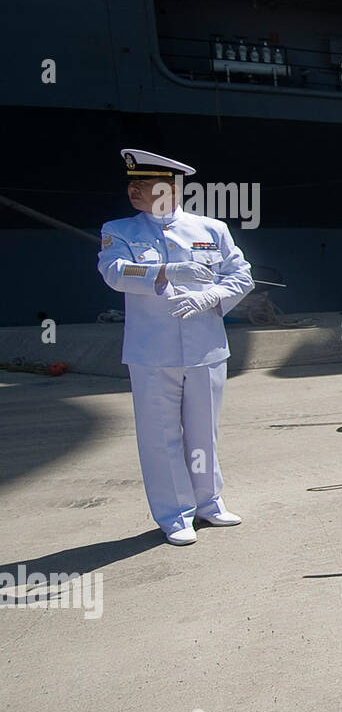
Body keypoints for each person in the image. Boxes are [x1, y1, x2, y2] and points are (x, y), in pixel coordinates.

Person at [98, 149, 254, 545]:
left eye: (143, 184)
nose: (133, 190)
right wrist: (166, 270)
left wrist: (212, 297)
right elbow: (115, 272)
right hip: (152, 352)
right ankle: (174, 514)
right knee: (160, 434)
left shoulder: (211, 229)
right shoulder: (119, 230)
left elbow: (241, 274)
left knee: (204, 431)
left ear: (170, 188)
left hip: (204, 347)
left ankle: (208, 502)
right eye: (132, 184)